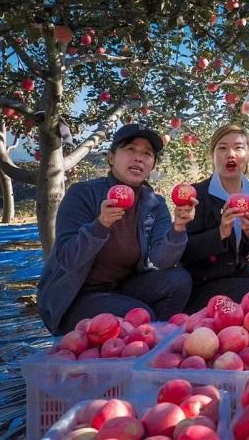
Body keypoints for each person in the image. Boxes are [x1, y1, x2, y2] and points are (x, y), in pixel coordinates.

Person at [37, 124, 194, 335]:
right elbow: (66, 257)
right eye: (130, 149)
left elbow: (161, 261)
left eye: (147, 154)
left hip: (121, 289)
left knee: (178, 280)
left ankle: (152, 347)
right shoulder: (83, 194)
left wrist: (178, 228)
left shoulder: (154, 204)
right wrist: (100, 225)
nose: (139, 157)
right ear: (111, 158)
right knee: (141, 315)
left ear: (152, 165)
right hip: (75, 298)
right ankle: (138, 344)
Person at [182, 125, 249, 312]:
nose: (231, 154)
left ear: (247, 155)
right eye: (222, 148)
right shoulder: (198, 194)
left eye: (238, 147)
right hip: (203, 282)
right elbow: (186, 251)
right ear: (213, 155)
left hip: (239, 277)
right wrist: (221, 232)